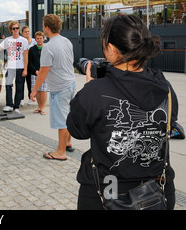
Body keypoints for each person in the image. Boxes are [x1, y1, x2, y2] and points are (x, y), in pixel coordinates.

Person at [66, 14, 178, 210]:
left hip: (104, 193)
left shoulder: (94, 92)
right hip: (158, 191)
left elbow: (77, 130)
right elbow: (169, 123)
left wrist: (89, 90)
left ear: (111, 49)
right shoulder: (165, 87)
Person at [30, 14, 76, 161]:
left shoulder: (48, 47)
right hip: (71, 84)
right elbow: (72, 60)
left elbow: (43, 71)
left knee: (62, 121)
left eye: (43, 25)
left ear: (47, 28)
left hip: (60, 88)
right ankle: (68, 142)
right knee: (69, 115)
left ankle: (60, 152)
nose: (42, 27)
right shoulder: (67, 41)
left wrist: (34, 90)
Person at [0, 21, 28, 114]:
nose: (15, 30)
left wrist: (25, 69)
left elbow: (26, 55)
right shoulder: (7, 40)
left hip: (20, 67)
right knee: (8, 86)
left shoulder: (24, 41)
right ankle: (9, 105)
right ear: (10, 30)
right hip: (10, 67)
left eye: (17, 28)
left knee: (19, 87)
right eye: (13, 28)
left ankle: (16, 106)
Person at [28, 31, 48, 115]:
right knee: (38, 90)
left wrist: (43, 71)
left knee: (43, 90)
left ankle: (43, 107)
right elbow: (30, 62)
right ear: (35, 39)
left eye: (40, 38)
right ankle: (39, 107)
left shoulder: (47, 48)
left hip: (44, 73)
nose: (39, 40)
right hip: (35, 73)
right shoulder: (32, 49)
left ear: (43, 39)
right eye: (37, 38)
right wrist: (35, 71)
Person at [21, 25, 36, 105]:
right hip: (22, 64)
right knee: (21, 82)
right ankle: (21, 99)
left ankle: (31, 98)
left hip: (31, 64)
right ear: (22, 33)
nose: (27, 33)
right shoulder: (21, 41)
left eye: (28, 31)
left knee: (30, 82)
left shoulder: (34, 41)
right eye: (25, 31)